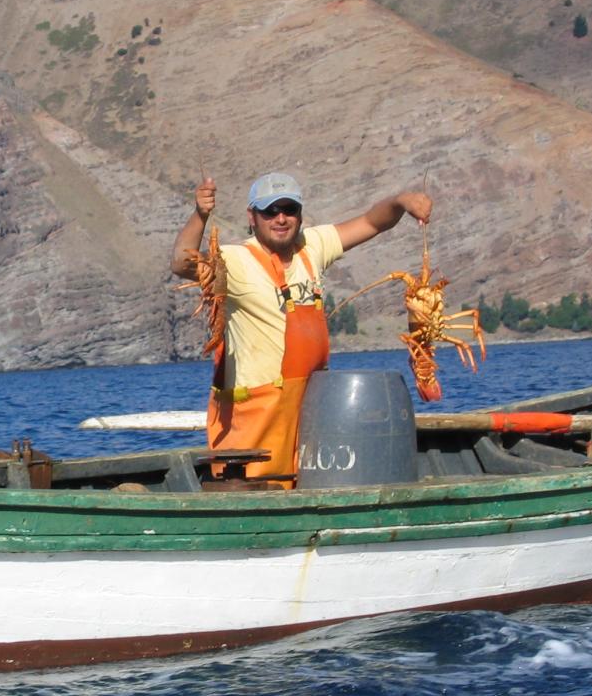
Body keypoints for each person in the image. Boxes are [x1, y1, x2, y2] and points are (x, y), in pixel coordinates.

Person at [170, 172, 432, 487]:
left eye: (289, 210)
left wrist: (401, 201)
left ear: (300, 215)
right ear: (252, 217)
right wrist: (200, 214)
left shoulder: (313, 247)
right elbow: (181, 263)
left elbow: (373, 222)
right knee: (254, 498)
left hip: (312, 412)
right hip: (256, 419)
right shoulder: (233, 261)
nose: (281, 218)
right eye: (270, 211)